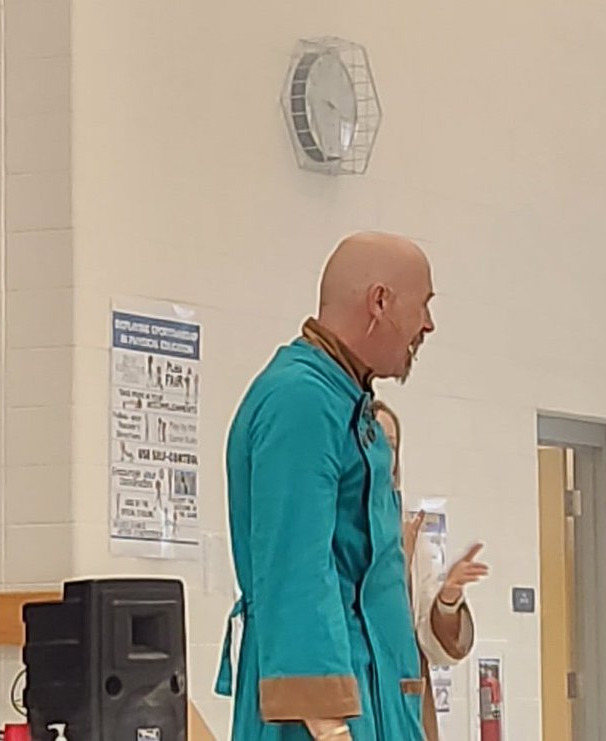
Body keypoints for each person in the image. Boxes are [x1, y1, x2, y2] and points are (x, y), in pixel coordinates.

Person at [216, 232, 437, 740]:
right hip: (322, 715)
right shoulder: (301, 400)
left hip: (372, 694)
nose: (427, 324)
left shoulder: (343, 400)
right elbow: (295, 566)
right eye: (422, 304)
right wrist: (329, 725)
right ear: (379, 302)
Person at [372, 400, 487, 740]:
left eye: (392, 445)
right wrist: (392, 566)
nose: (385, 454)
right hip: (352, 688)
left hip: (404, 697)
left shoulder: (409, 529)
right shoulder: (331, 521)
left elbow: (432, 644)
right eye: (376, 440)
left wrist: (448, 598)